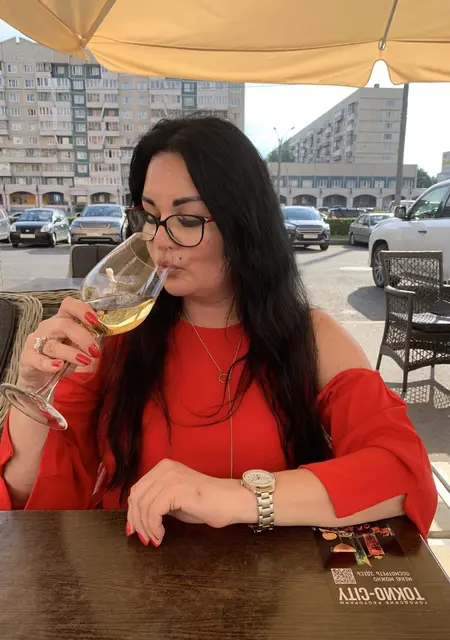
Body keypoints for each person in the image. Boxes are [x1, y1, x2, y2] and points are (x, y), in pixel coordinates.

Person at [0, 116, 436, 547]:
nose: (159, 240)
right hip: (132, 578)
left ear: (244, 224)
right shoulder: (114, 337)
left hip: (274, 583)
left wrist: (234, 497)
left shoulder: (310, 336)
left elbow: (403, 473)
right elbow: (28, 500)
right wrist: (34, 394)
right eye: (150, 216)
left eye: (188, 219)